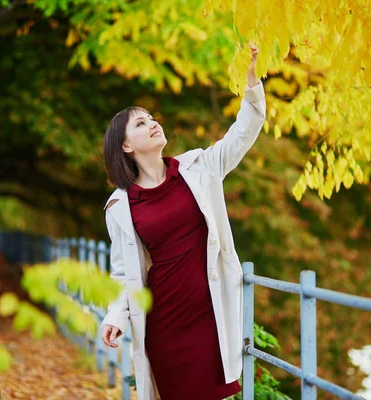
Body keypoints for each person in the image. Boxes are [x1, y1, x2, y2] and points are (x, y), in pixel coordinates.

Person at [100, 46, 266, 400]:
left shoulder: (198, 168)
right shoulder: (120, 206)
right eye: (141, 123)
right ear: (126, 145)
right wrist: (114, 317)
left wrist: (252, 82)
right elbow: (122, 273)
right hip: (164, 325)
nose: (153, 123)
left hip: (210, 316)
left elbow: (244, 131)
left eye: (152, 117)